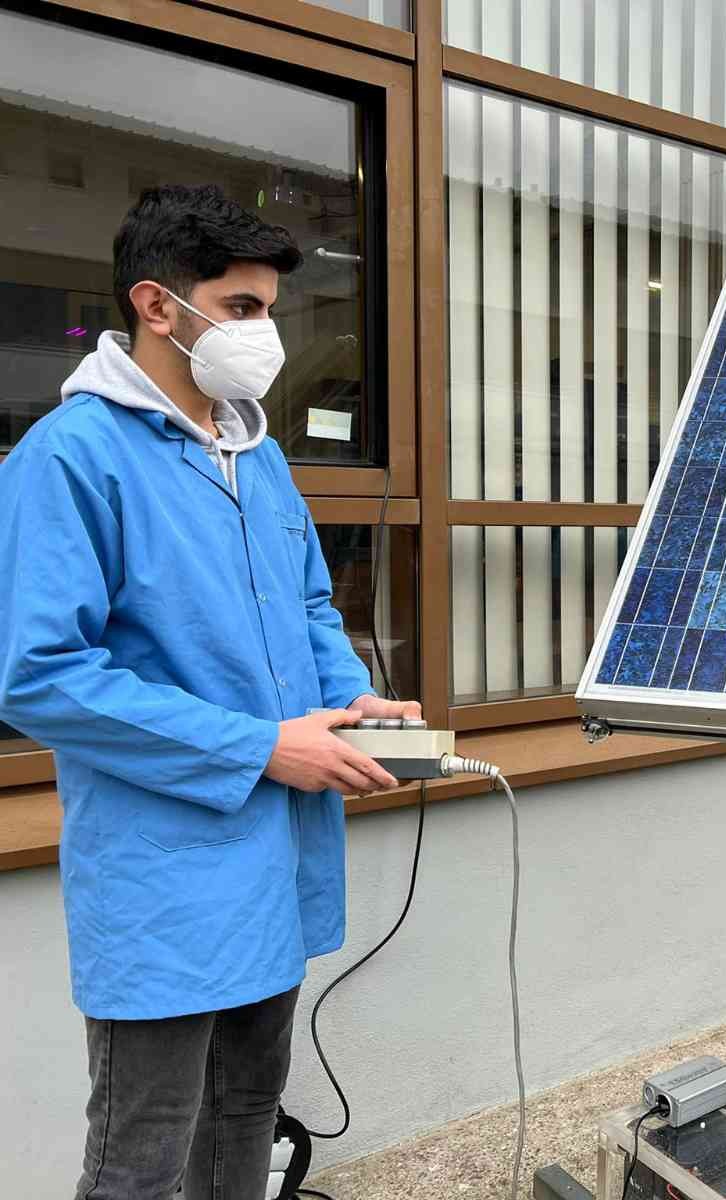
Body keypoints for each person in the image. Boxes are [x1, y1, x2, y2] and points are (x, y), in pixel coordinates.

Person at [0, 185, 421, 1199]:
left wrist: (350, 701)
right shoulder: (70, 458)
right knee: (144, 1144)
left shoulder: (257, 450)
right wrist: (259, 748)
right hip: (167, 873)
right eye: (242, 309)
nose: (265, 333)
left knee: (248, 1110)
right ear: (156, 306)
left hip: (276, 853)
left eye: (269, 309)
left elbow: (310, 602)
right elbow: (40, 677)